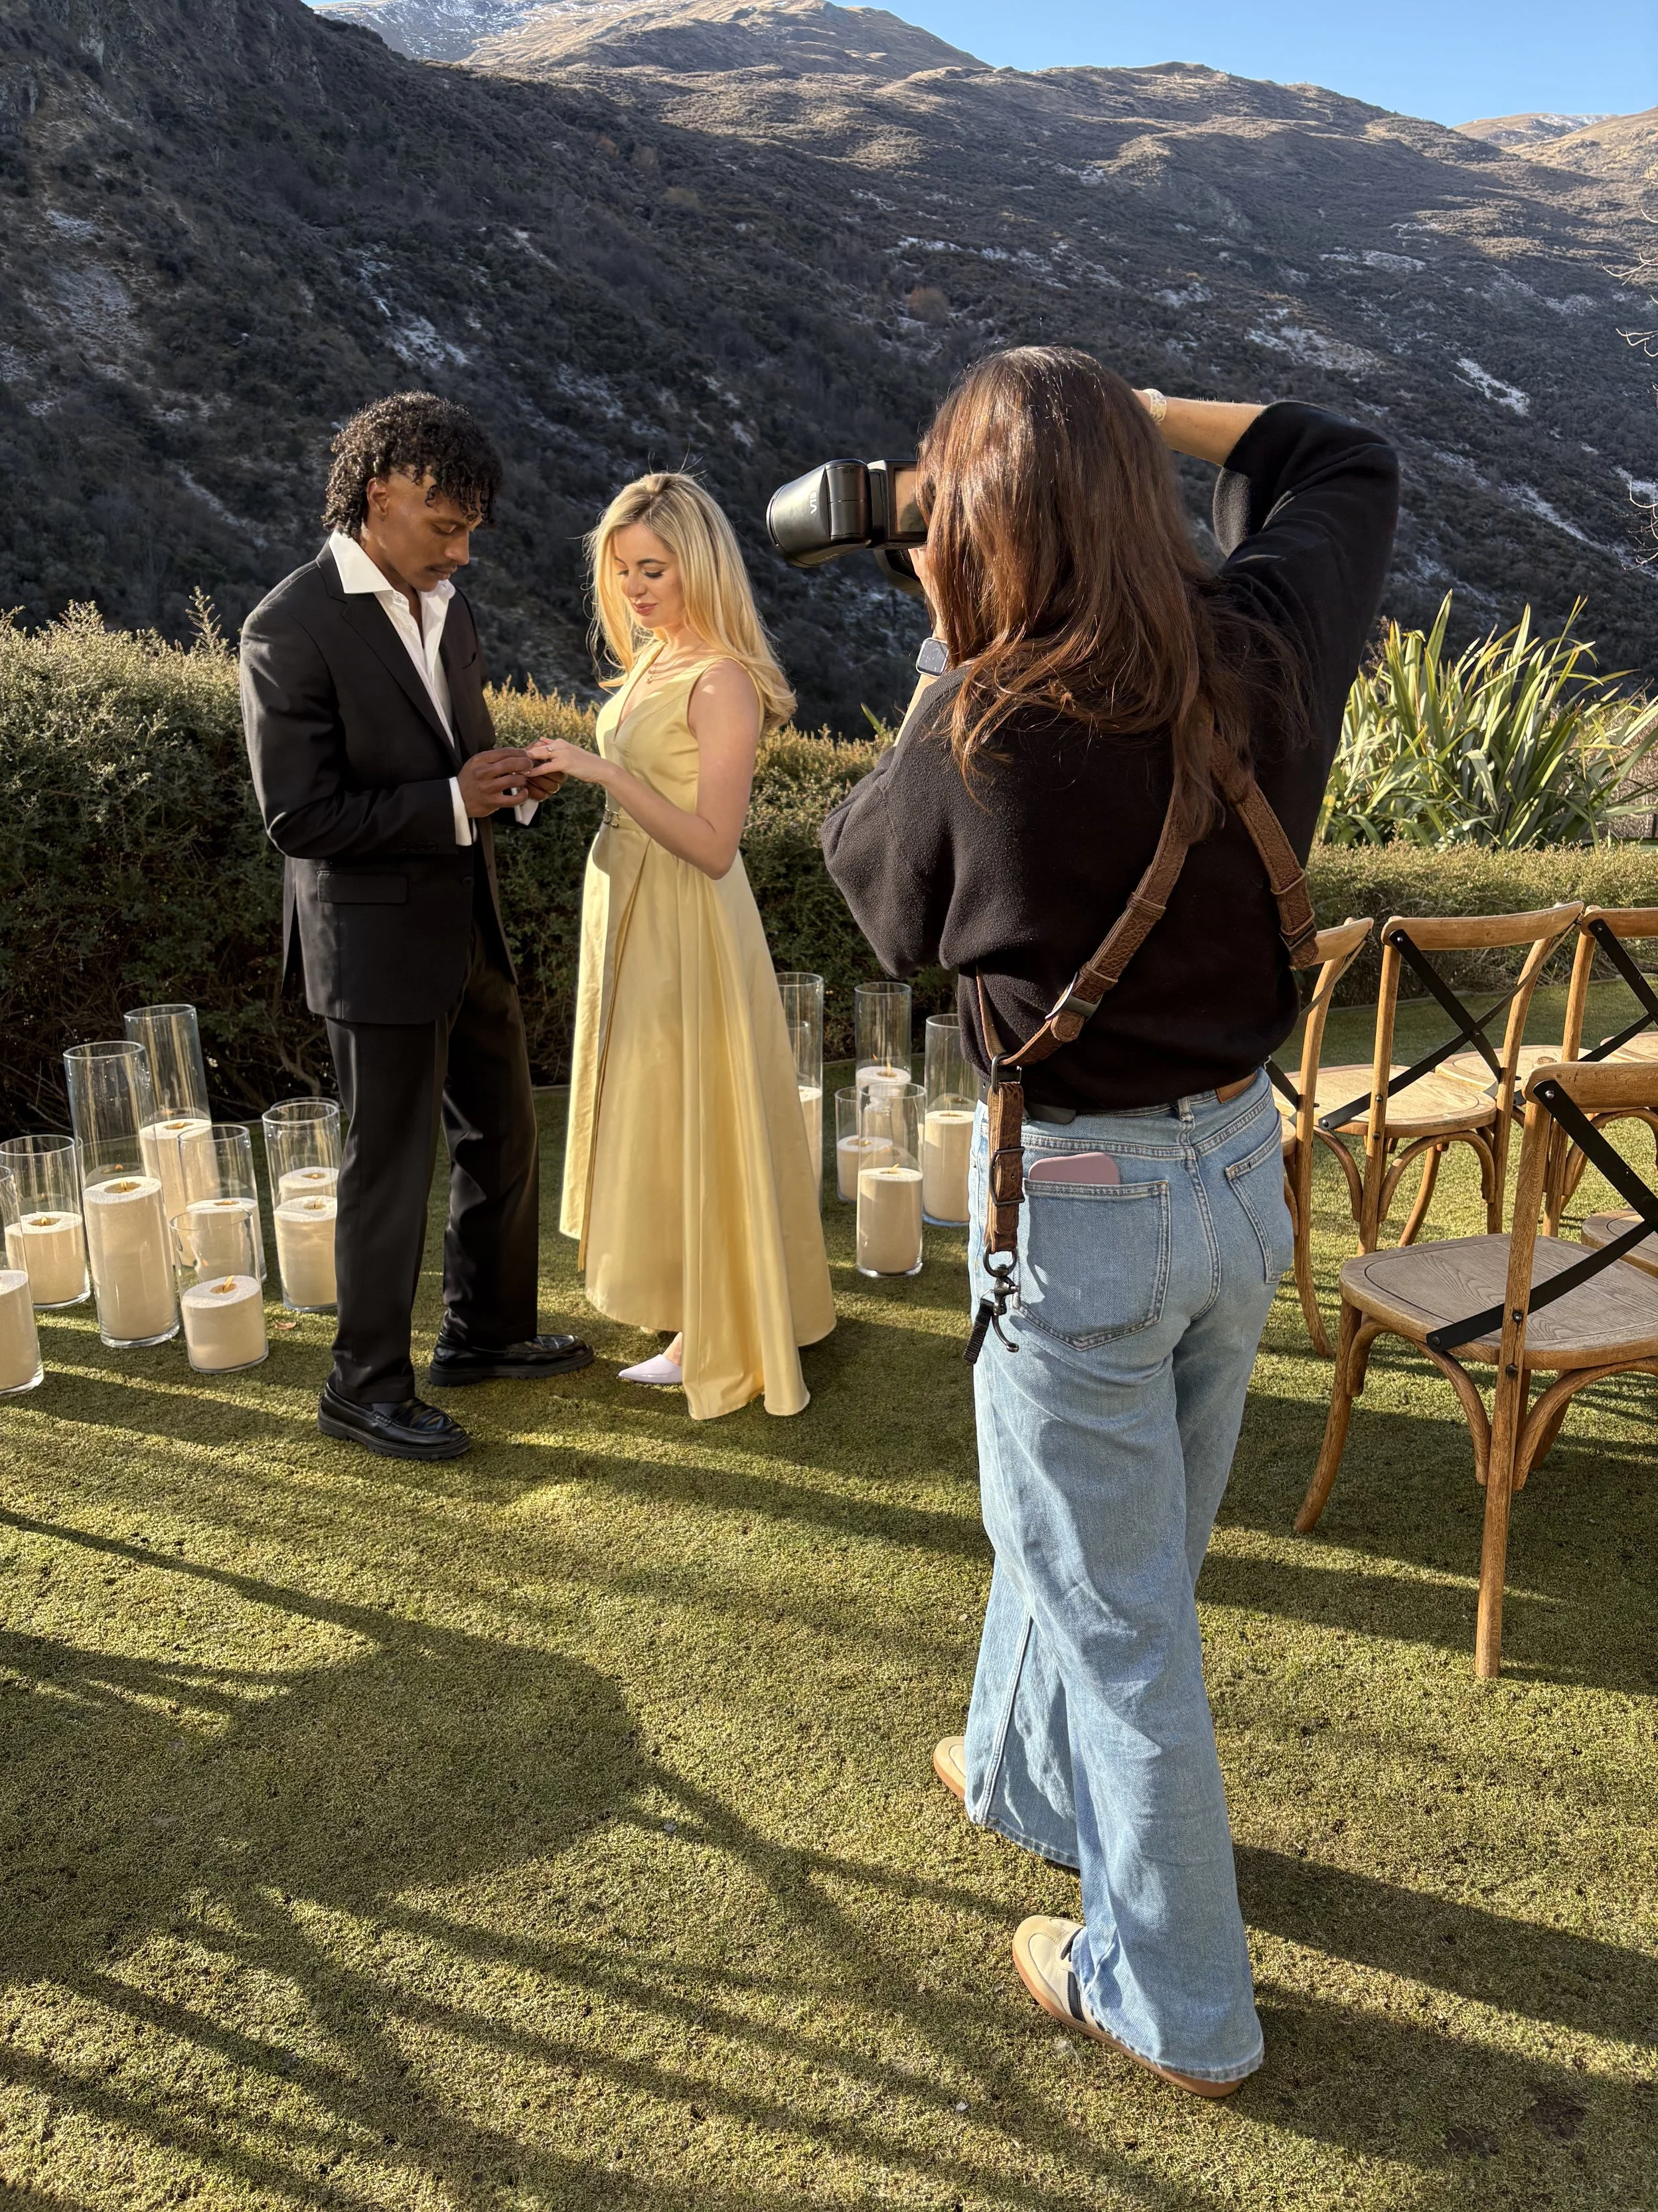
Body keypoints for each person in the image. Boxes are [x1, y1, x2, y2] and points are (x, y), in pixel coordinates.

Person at [822, 349, 1398, 2094]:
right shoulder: (1267, 644)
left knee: (1121, 1607)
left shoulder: (978, 719)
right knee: (1087, 1548)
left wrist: (937, 631)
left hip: (1075, 1209)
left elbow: (880, 898)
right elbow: (1343, 452)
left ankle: (1174, 1999)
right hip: (1236, 1181)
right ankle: (1019, 1773)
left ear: (977, 522)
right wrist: (1137, 406)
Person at [240, 390, 593, 1463]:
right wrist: (451, 799)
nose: (463, 551)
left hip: (466, 923)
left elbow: (463, 760)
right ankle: (362, 1386)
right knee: (387, 1165)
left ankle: (483, 1334)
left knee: (504, 1132)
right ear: (379, 496)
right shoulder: (286, 626)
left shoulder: (451, 610)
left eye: (473, 529)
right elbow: (298, 816)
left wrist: (516, 788)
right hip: (374, 946)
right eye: (447, 526)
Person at [532, 472, 834, 1419]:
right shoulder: (656, 662)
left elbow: (713, 845)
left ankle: (718, 1327)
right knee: (657, 1110)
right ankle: (685, 1304)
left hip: (688, 919)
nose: (633, 590)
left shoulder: (723, 681)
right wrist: (554, 781)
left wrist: (597, 773)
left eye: (651, 569)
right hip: (628, 909)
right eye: (620, 572)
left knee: (699, 1109)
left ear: (698, 563)